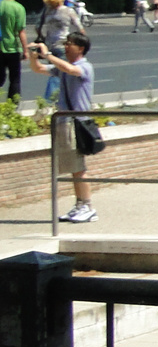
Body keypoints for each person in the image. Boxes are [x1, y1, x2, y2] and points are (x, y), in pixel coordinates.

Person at [28, 30, 98, 223]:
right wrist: (35, 58)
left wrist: (47, 54)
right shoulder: (65, 67)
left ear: (81, 48)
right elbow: (39, 69)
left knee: (78, 167)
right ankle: (79, 205)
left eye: (70, 43)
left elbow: (71, 71)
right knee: (72, 166)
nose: (66, 46)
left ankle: (87, 206)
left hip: (77, 122)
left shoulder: (84, 67)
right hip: (65, 121)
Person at [0, 0, 25, 101]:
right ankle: (13, 104)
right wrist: (25, 50)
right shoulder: (18, 8)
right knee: (15, 79)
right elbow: (21, 31)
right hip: (12, 48)